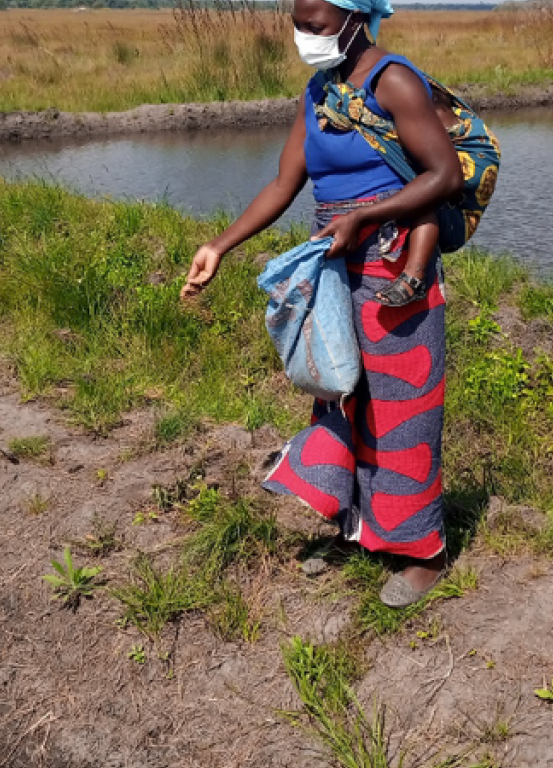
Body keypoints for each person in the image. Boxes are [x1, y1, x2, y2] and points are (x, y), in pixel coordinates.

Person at [181, 0, 463, 608]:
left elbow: (444, 176)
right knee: (340, 396)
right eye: (297, 23)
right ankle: (355, 528)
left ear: (356, 17)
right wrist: (219, 246)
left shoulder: (394, 80)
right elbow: (285, 183)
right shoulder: (319, 91)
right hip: (335, 272)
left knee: (400, 408)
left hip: (393, 269)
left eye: (314, 25)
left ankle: (424, 553)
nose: (302, 36)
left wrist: (364, 215)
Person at [373, 88, 462, 307]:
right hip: (431, 161)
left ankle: (415, 277)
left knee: (424, 206)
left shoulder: (430, 107)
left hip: (443, 168)